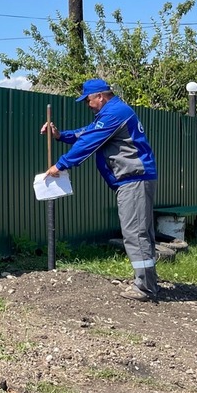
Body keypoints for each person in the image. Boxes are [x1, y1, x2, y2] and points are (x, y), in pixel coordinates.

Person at [41, 78, 159, 301]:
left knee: (135, 233)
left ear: (100, 96)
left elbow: (87, 143)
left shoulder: (114, 113)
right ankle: (148, 282)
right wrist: (59, 135)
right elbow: (86, 132)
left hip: (133, 179)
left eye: (88, 100)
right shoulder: (113, 113)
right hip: (135, 179)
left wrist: (60, 164)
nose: (88, 105)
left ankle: (145, 287)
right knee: (141, 231)